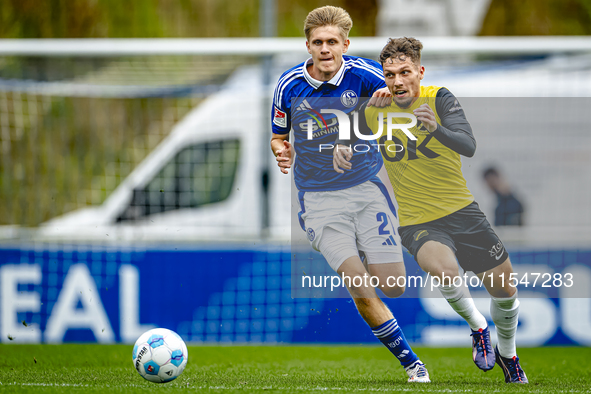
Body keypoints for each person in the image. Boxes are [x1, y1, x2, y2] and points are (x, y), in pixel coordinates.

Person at [334, 37, 528, 384]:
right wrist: (341, 148)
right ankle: (478, 327)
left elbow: (468, 146)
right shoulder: (373, 107)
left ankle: (509, 355)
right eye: (389, 74)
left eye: (404, 72)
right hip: (416, 221)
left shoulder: (438, 98)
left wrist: (435, 128)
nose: (397, 81)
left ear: (419, 72)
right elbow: (349, 131)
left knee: (506, 292)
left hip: (463, 212)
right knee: (444, 269)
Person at [270, 7, 430, 383]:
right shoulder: (288, 86)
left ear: (345, 44)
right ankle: (413, 364)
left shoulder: (367, 76)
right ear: (307, 45)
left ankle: (363, 248)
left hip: (367, 190)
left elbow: (404, 106)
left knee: (393, 285)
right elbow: (278, 136)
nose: (325, 49)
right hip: (318, 199)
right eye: (318, 43)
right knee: (358, 285)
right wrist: (281, 150)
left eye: (332, 42)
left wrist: (352, 134)